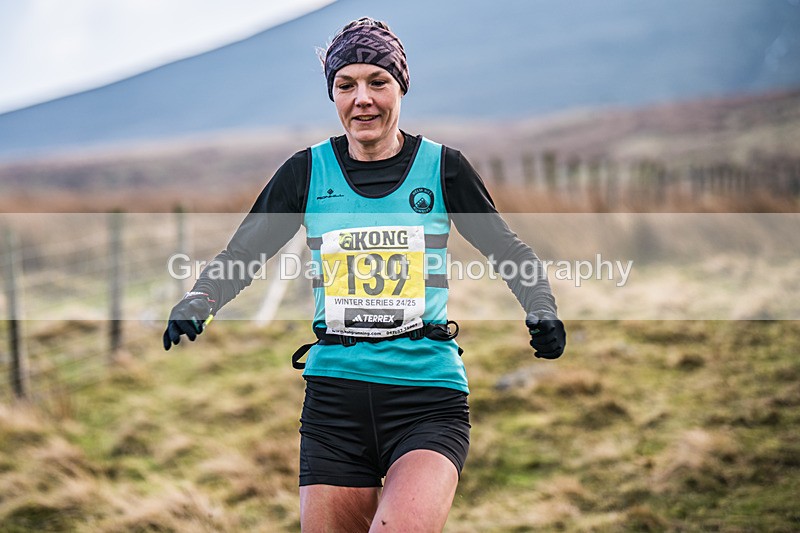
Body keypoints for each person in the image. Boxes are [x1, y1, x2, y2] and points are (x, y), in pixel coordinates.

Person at [163, 17, 566, 532]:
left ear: (401, 87)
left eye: (378, 82)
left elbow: (508, 250)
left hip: (426, 400)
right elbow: (243, 254)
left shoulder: (443, 168)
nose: (363, 99)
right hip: (334, 406)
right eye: (345, 85)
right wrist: (200, 299)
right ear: (332, 94)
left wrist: (542, 308)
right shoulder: (306, 171)